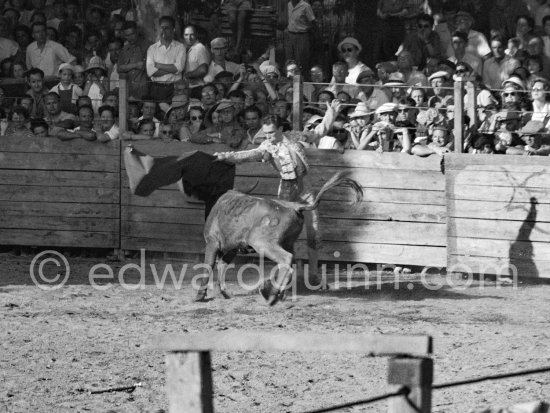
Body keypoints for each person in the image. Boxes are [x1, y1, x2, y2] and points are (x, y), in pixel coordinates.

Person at [146, 16, 186, 104]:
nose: (163, 31)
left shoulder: (180, 47)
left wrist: (158, 65)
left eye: (167, 28)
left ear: (173, 29)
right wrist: (172, 69)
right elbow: (150, 72)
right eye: (161, 28)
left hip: (174, 88)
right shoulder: (152, 48)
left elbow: (179, 68)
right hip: (156, 88)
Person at [118, 21, 148, 101]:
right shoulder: (124, 50)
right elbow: (119, 68)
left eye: (132, 34)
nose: (130, 38)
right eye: (127, 35)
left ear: (137, 32)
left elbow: (145, 66)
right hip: (128, 88)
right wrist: (136, 65)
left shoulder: (147, 46)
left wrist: (126, 67)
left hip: (143, 89)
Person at [286, 0, 316, 74]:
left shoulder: (305, 6)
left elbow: (312, 21)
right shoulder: (289, 4)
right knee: (290, 59)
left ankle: (302, 79)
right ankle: (291, 78)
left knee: (301, 60)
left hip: (302, 35)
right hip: (290, 35)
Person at [183, 25, 210, 100]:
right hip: (192, 88)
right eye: (186, 35)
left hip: (197, 88)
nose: (189, 37)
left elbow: (203, 70)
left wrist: (187, 75)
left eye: (192, 34)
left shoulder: (199, 48)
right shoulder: (192, 48)